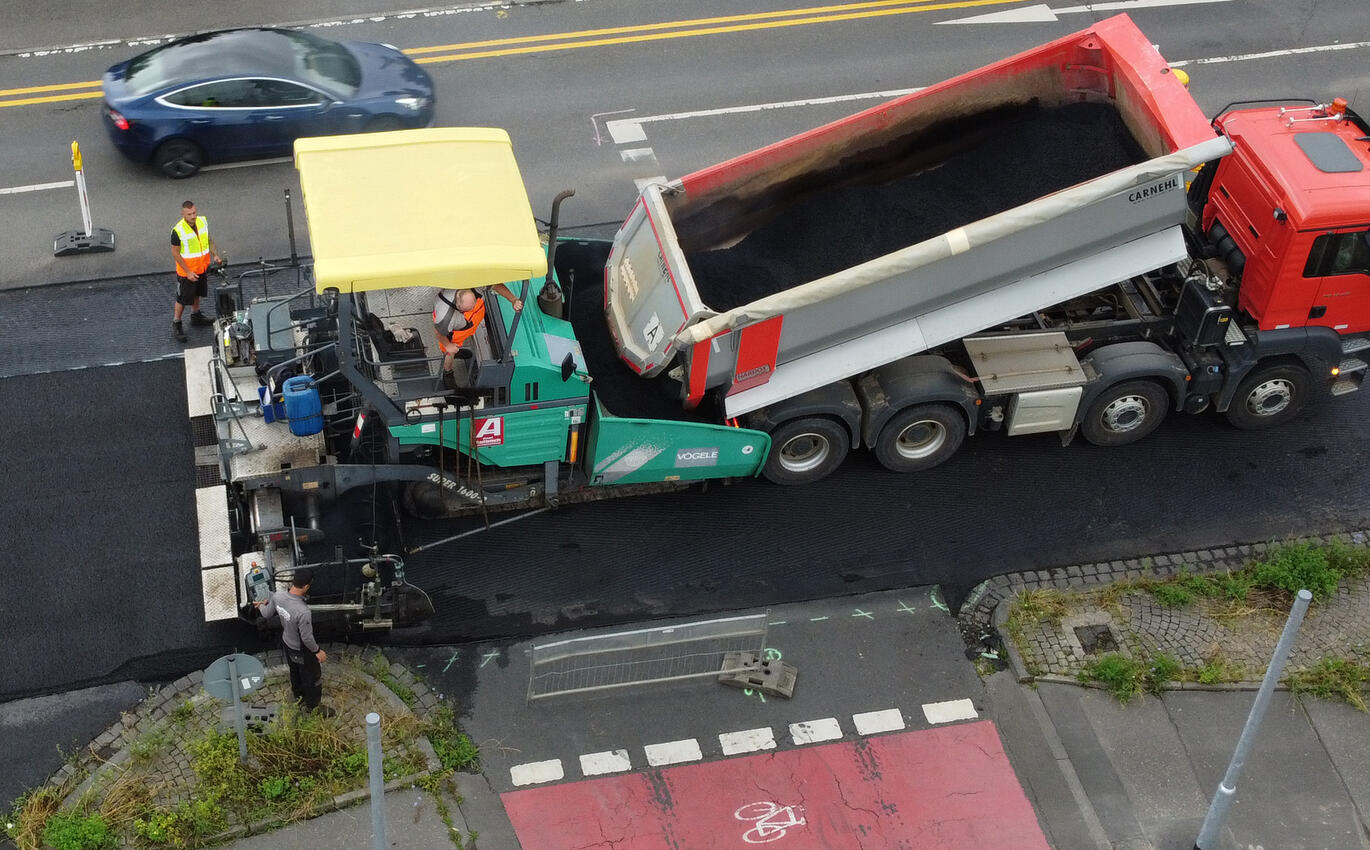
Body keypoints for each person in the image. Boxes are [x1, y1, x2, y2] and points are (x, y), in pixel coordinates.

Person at [254, 567, 335, 717]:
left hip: (287, 643)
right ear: (306, 587)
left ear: (293, 581)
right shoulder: (303, 611)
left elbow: (266, 613)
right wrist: (317, 651)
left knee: (295, 671)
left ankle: (298, 697)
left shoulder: (277, 596)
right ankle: (313, 707)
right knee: (312, 678)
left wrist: (261, 605)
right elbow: (307, 638)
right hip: (302, 649)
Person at [432, 285, 523, 378]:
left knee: (454, 348)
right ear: (459, 308)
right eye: (469, 310)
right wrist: (448, 345)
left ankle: (457, 351)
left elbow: (495, 285)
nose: (474, 308)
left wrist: (513, 300)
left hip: (467, 326)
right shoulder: (445, 317)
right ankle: (448, 374)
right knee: (449, 353)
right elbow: (438, 331)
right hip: (453, 333)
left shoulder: (476, 284)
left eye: (474, 303)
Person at [171, 200, 222, 343]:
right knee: (182, 299)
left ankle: (196, 316)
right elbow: (175, 253)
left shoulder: (202, 222)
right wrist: (187, 272)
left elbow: (208, 240)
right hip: (186, 272)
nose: (193, 216)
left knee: (197, 294)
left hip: (200, 268)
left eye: (194, 212)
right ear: (183, 214)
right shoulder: (178, 230)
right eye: (189, 214)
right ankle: (176, 323)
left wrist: (215, 254)